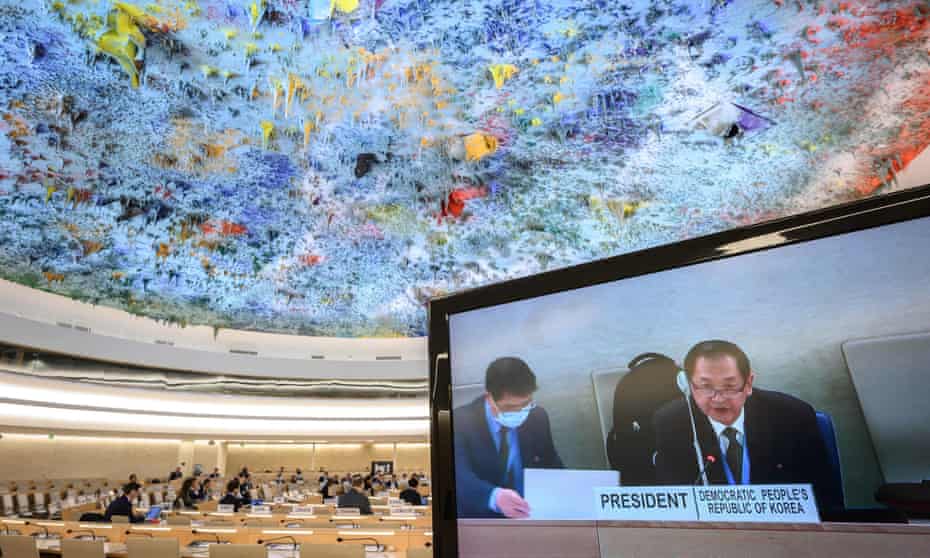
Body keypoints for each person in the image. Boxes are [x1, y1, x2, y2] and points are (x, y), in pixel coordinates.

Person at [653, 340, 842, 511]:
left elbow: (825, 502)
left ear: (748, 383)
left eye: (729, 386)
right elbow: (675, 507)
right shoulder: (671, 424)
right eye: (705, 387)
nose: (718, 399)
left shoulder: (792, 417)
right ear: (690, 387)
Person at [454, 357, 563, 519]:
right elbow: (458, 476)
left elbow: (551, 464)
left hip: (530, 516)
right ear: (489, 397)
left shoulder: (537, 417)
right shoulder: (460, 421)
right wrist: (494, 497)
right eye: (510, 407)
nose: (520, 412)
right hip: (481, 519)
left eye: (526, 404)